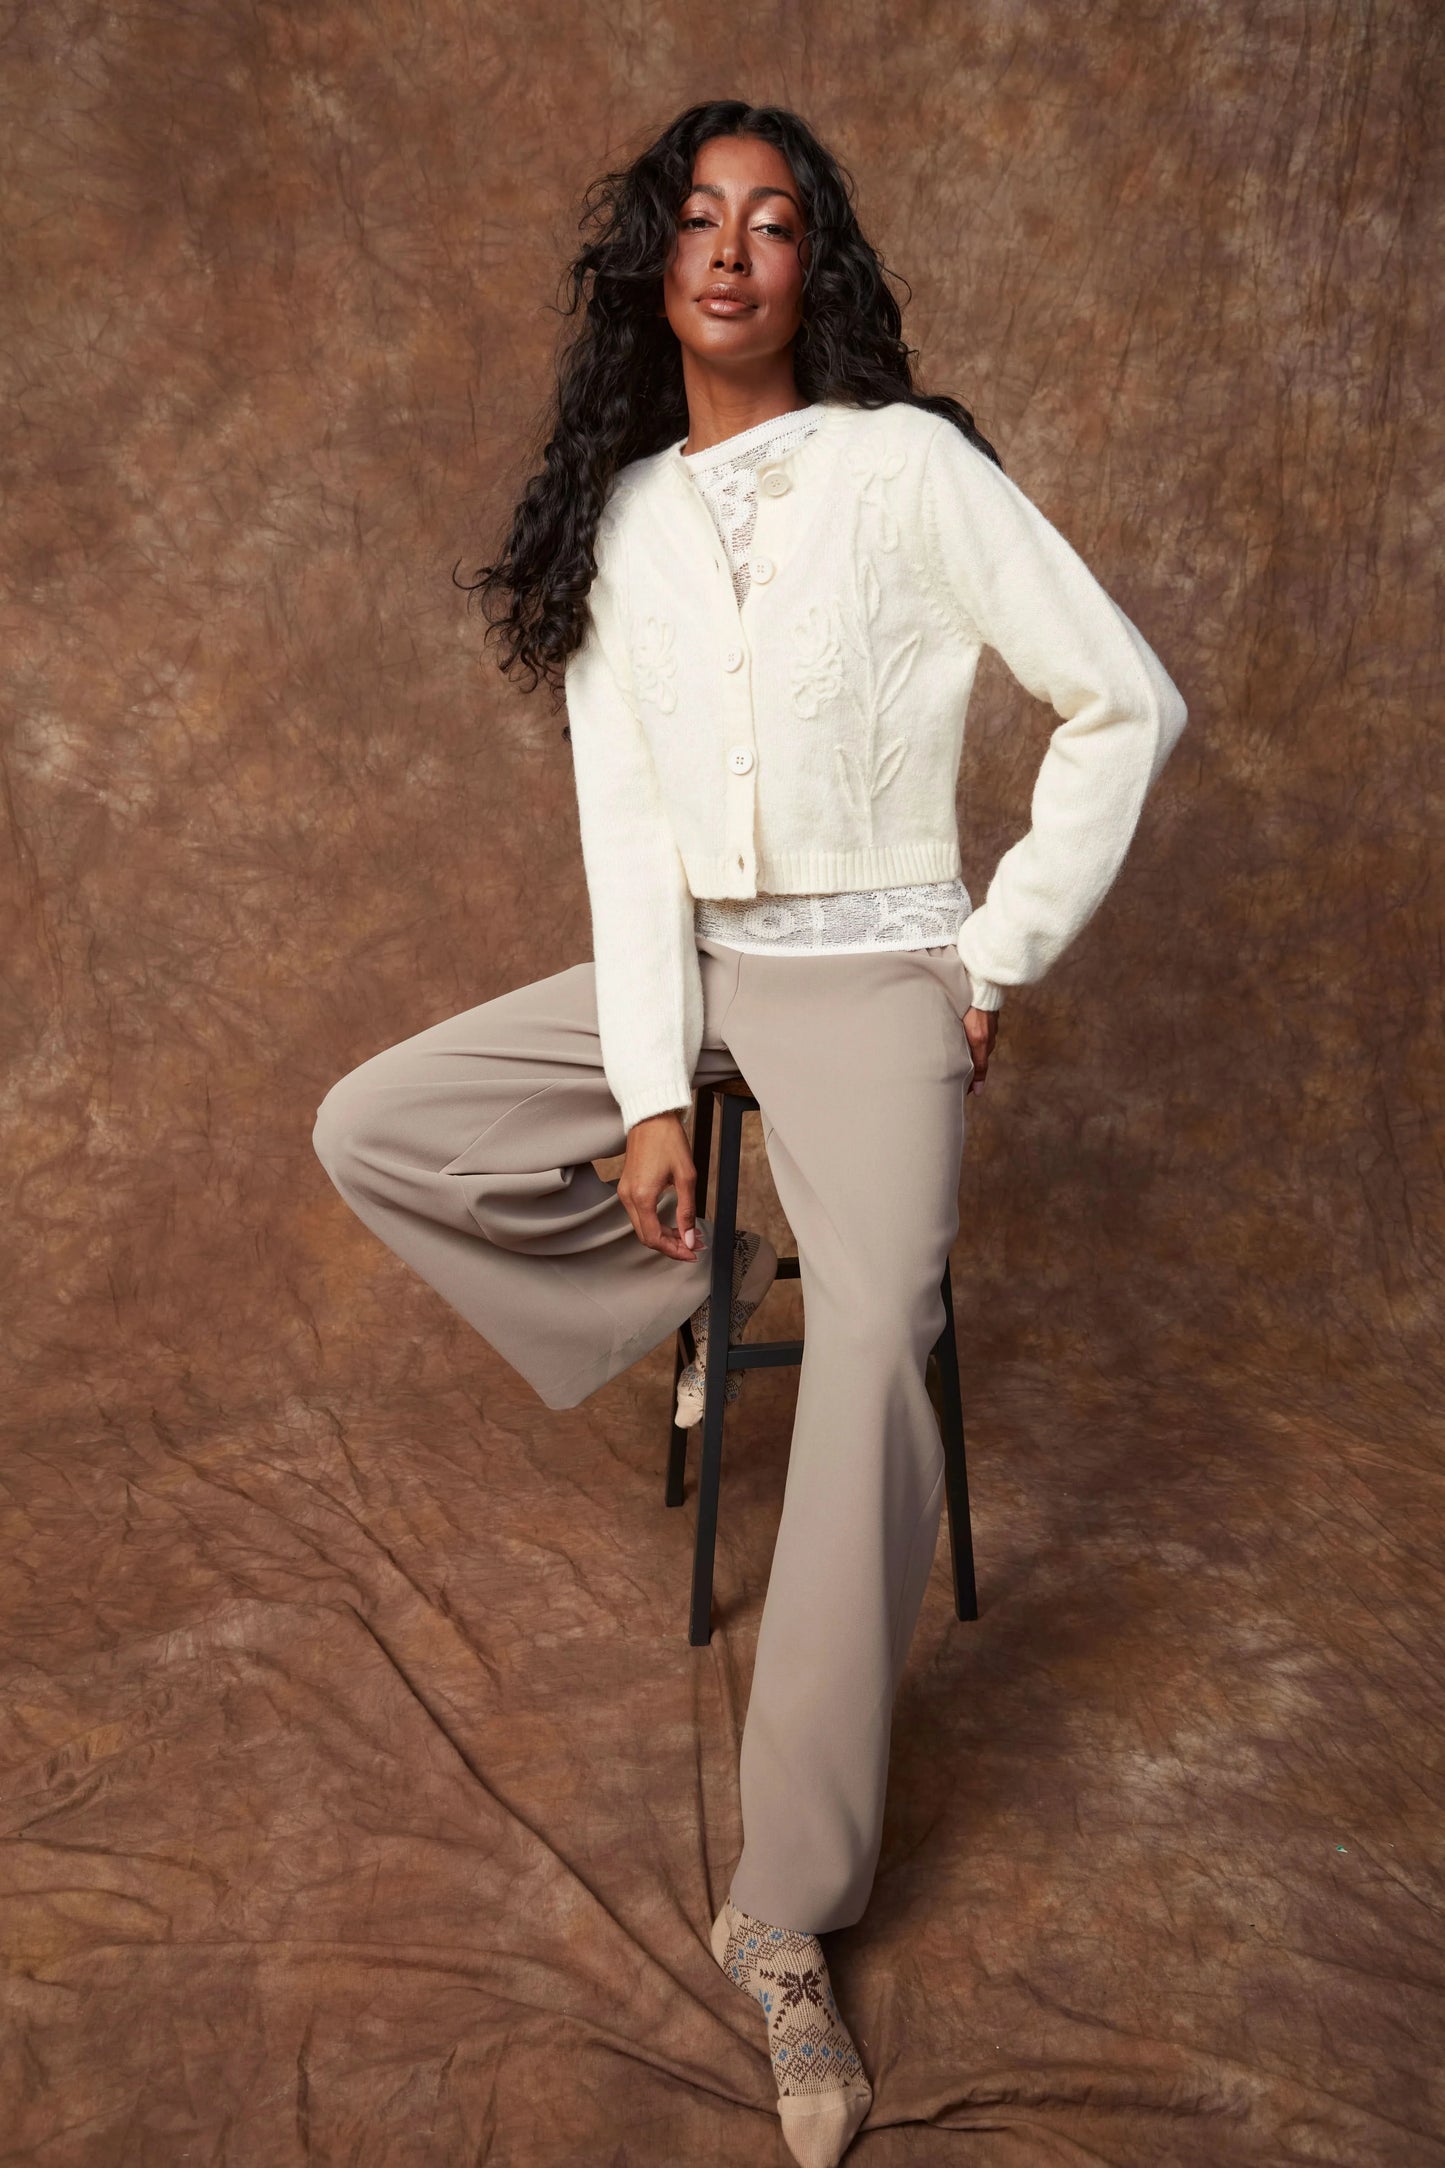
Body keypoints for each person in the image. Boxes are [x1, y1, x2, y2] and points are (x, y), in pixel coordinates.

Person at [312, 97, 1188, 2168]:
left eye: (775, 224)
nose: (733, 251)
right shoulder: (616, 526)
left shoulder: (910, 467)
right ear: (655, 267)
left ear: (817, 271)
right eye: (699, 220)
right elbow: (627, 841)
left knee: (880, 1344)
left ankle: (785, 1916)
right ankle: (706, 1260)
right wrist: (638, 1095)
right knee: (383, 1122)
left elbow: (1123, 697)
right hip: (695, 974)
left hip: (884, 964)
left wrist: (997, 947)